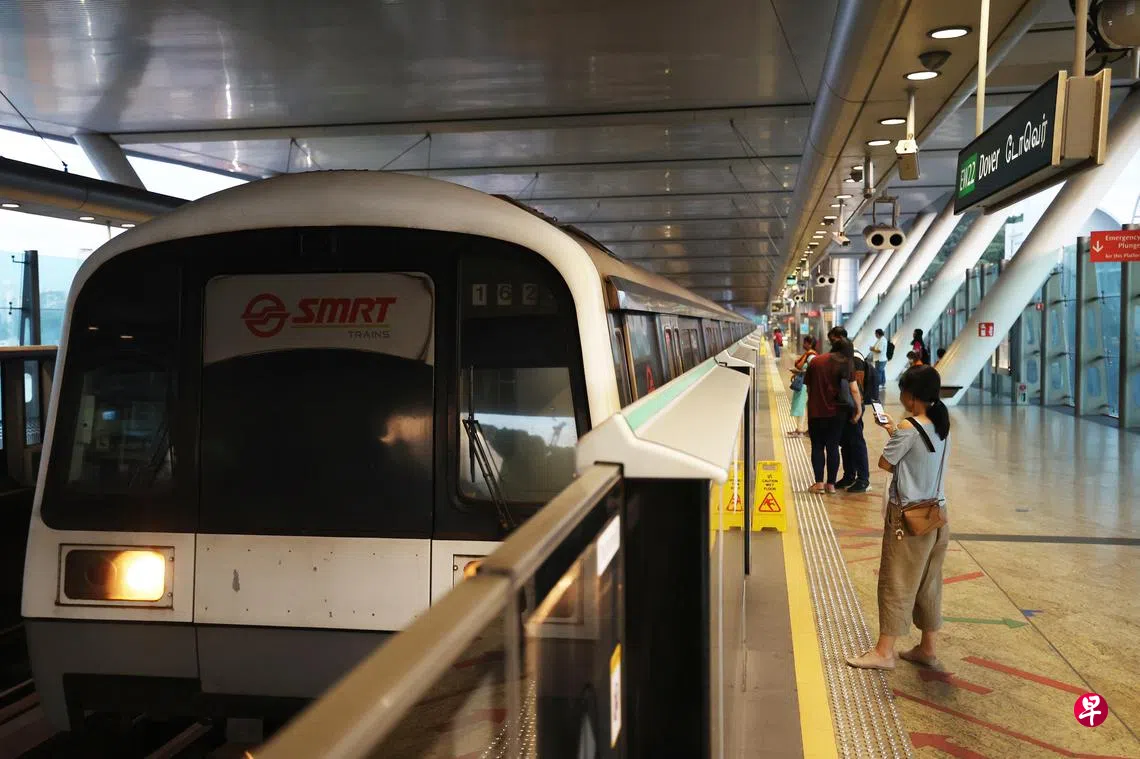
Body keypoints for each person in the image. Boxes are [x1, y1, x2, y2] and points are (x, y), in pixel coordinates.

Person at [847, 365, 952, 670]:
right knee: (929, 582)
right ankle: (927, 649)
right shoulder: (941, 423)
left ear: (910, 396)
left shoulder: (909, 427)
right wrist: (893, 431)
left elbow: (886, 463)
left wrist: (896, 432)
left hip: (908, 517)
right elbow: (920, 457)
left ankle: (884, 652)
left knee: (897, 581)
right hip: (937, 514)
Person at [804, 335, 861, 494]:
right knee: (833, 446)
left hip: (816, 411)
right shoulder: (847, 364)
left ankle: (819, 484)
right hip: (838, 413)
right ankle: (831, 485)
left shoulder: (816, 361)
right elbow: (854, 389)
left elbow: (809, 388)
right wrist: (858, 410)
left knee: (817, 446)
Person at [829, 328, 871, 494]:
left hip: (854, 407)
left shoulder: (855, 359)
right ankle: (849, 475)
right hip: (845, 407)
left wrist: (857, 409)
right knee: (846, 443)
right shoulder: (846, 359)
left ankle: (863, 478)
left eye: (833, 340)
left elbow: (857, 388)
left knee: (857, 442)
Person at [787, 336, 817, 437]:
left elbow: (811, 370)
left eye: (805, 342)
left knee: (801, 405)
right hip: (803, 382)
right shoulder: (808, 354)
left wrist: (799, 371)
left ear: (810, 344)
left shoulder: (811, 356)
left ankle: (800, 430)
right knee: (800, 405)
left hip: (805, 384)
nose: (803, 344)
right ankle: (799, 428)